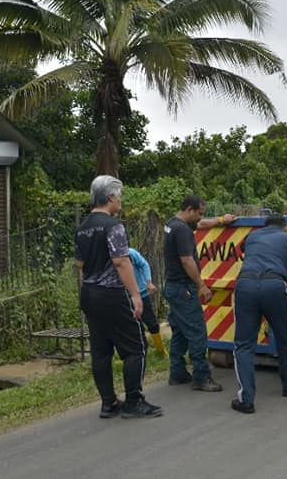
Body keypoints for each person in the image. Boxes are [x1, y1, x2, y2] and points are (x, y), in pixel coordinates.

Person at [75, 175, 161, 419]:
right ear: (111, 197)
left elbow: (80, 264)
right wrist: (136, 295)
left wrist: (88, 292)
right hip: (112, 294)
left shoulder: (82, 228)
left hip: (89, 293)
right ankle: (134, 402)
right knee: (136, 347)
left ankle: (108, 403)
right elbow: (121, 262)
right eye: (119, 196)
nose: (120, 200)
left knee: (101, 350)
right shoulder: (113, 226)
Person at [231, 214, 287, 414]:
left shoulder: (252, 236)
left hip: (245, 285)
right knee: (284, 338)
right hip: (275, 287)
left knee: (244, 345)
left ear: (265, 226)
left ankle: (246, 400)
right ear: (284, 227)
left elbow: (242, 252)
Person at [163, 195, 236, 392]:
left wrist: (221, 220)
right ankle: (202, 377)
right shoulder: (182, 231)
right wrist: (201, 286)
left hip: (173, 287)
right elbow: (187, 260)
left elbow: (201, 224)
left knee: (179, 332)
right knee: (197, 332)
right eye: (198, 214)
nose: (200, 218)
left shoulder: (172, 223)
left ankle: (177, 373)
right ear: (189, 209)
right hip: (184, 288)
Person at [128, 247, 166, 357]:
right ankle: (140, 352)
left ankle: (161, 351)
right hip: (125, 296)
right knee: (134, 325)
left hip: (141, 294)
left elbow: (144, 265)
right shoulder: (111, 255)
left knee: (152, 324)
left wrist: (148, 282)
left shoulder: (131, 253)